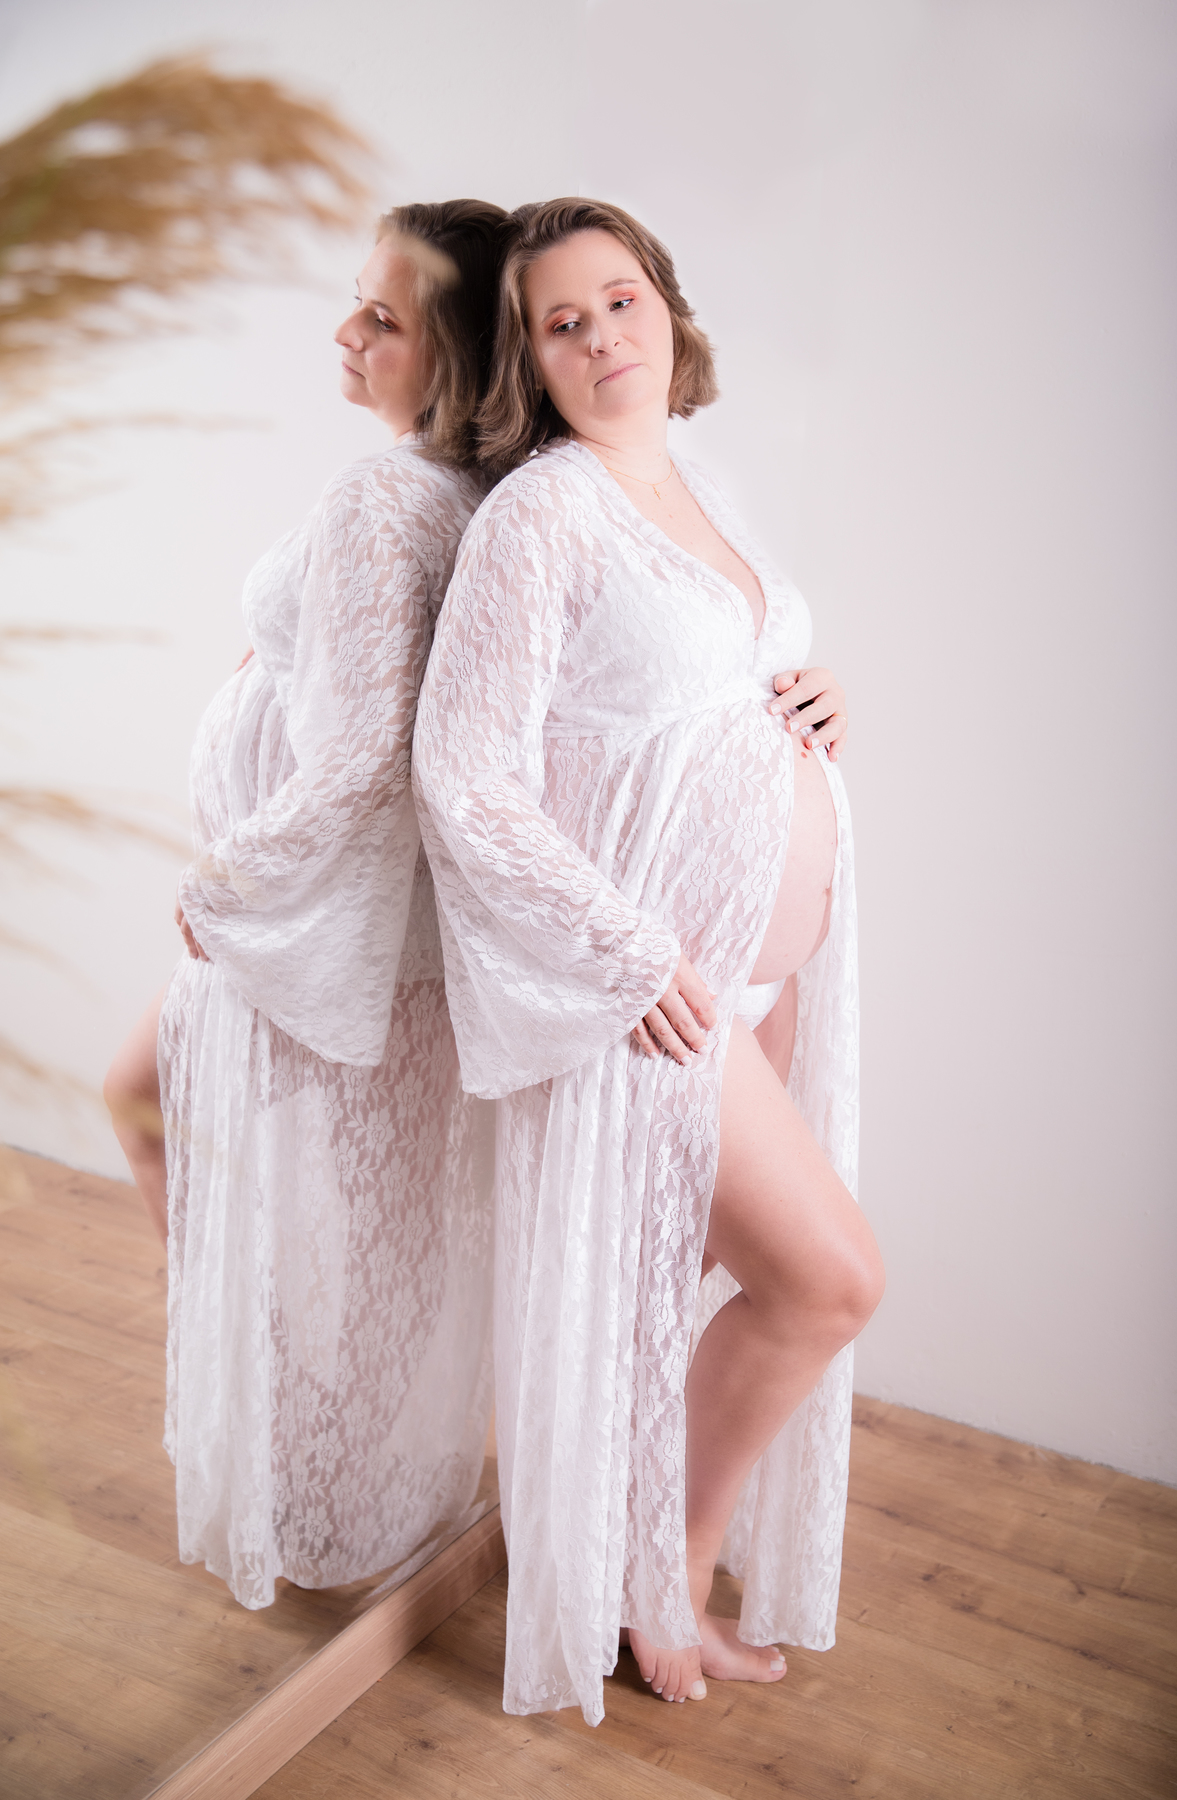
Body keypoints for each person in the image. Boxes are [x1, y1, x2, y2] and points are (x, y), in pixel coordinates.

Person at [413, 197, 884, 1725]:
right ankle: (656, 1576)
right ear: (531, 363)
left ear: (667, 309)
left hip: (761, 981)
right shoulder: (541, 517)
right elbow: (465, 775)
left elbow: (708, 683)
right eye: (563, 323)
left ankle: (636, 1555)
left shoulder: (700, 480)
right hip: (661, 1001)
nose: (604, 336)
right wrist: (625, 956)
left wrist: (811, 694)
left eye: (621, 300)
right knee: (828, 1282)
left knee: (681, 1291)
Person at [103, 199, 508, 1608]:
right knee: (343, 1203)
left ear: (456, 354)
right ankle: (318, 1433)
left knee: (171, 1121)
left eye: (383, 318)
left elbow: (361, 754)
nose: (345, 331)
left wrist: (226, 881)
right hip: (383, 930)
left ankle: (290, 1431)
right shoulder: (468, 493)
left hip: (313, 921)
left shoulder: (386, 495)